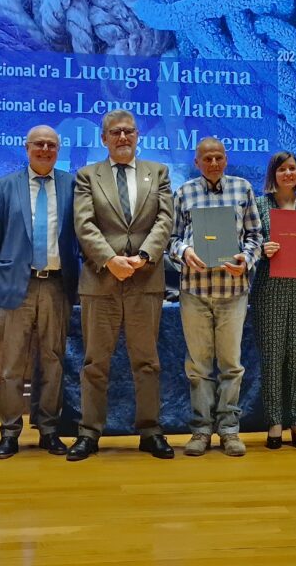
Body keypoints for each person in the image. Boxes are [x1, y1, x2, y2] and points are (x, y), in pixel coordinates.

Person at [68, 111, 174, 461]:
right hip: (101, 280)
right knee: (95, 363)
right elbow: (84, 225)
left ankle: (150, 431)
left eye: (129, 131)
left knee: (147, 362)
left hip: (145, 279)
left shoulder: (158, 172)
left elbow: (165, 219)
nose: (123, 137)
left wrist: (143, 256)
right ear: (104, 139)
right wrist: (111, 260)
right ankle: (89, 433)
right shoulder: (87, 176)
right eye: (115, 132)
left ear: (138, 135)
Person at [0, 125, 79, 459]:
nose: (45, 149)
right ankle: (9, 432)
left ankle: (49, 429)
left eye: (51, 145)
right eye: (39, 144)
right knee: (12, 365)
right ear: (26, 148)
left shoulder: (72, 185)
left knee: (53, 361)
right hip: (17, 284)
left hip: (56, 284)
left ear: (58, 150)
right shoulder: (5, 186)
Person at [169, 137, 262, 457]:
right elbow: (172, 239)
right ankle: (201, 430)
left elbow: (255, 236)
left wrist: (246, 260)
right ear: (196, 162)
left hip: (232, 291)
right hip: (194, 291)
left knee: (231, 365)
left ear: (226, 159)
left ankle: (229, 430)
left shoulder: (243, 189)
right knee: (198, 366)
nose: (213, 163)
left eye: (218, 157)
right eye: (206, 158)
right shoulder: (184, 192)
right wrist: (184, 251)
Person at [250, 151, 296, 450]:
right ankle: (274, 422)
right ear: (273, 174)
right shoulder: (259, 206)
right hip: (270, 289)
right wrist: (262, 249)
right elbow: (248, 244)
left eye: (292, 168)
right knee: (272, 357)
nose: (288, 173)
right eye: (282, 169)